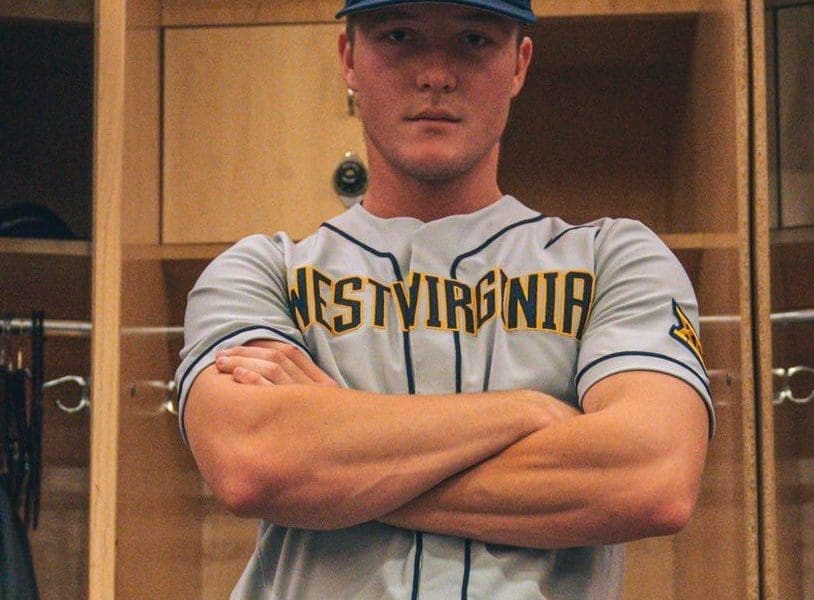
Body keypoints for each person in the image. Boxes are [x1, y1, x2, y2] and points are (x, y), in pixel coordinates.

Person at [175, 1, 714, 598]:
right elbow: (255, 462)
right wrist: (526, 412)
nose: (436, 74)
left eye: (474, 40)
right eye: (399, 35)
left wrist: (335, 467)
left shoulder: (616, 259)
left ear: (519, 64)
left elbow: (653, 478)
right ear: (349, 58)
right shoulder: (261, 272)